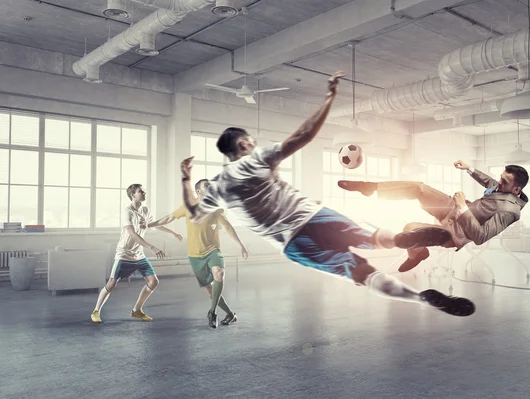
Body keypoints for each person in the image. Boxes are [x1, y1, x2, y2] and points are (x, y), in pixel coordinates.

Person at [178, 71, 475, 317]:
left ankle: (420, 298)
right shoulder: (256, 159)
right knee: (371, 238)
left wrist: (185, 179)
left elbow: (193, 214)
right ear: (242, 144)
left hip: (292, 242)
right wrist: (329, 97)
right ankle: (400, 240)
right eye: (250, 141)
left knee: (361, 274)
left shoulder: (217, 186)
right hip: (314, 215)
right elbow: (303, 135)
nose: (253, 144)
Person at [338, 161, 529, 272]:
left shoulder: (510, 212)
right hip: (452, 209)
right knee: (418, 188)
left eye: (504, 181)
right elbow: (490, 181)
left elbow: (480, 237)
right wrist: (469, 168)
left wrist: (463, 207)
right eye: (501, 178)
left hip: (456, 232)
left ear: (516, 189)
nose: (498, 183)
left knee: (410, 228)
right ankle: (370, 188)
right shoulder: (504, 189)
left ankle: (418, 254)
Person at [149, 178, 249, 329]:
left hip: (213, 250)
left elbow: (228, 227)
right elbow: (168, 218)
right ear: (198, 192)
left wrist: (241, 245)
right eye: (206, 186)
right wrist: (149, 224)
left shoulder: (216, 208)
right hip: (195, 255)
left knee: (219, 273)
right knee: (209, 288)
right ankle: (230, 314)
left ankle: (212, 312)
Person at [91, 184, 182, 323]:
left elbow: (156, 224)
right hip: (124, 254)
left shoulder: (145, 209)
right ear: (133, 195)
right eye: (141, 191)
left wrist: (173, 233)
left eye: (144, 190)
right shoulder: (127, 212)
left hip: (139, 255)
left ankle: (136, 311)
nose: (144, 192)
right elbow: (133, 234)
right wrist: (152, 247)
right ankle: (96, 311)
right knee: (111, 284)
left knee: (153, 281)